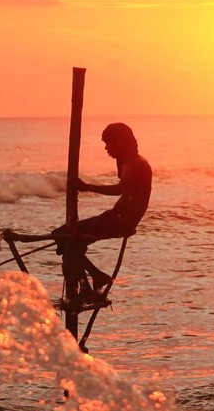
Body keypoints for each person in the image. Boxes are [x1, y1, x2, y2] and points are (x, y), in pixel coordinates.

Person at [53, 122, 152, 302]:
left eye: (109, 143)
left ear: (122, 142)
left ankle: (90, 282)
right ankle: (94, 277)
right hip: (115, 216)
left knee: (66, 236)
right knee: (64, 237)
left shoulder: (136, 163)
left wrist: (87, 187)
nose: (106, 148)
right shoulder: (126, 162)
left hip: (120, 221)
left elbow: (119, 189)